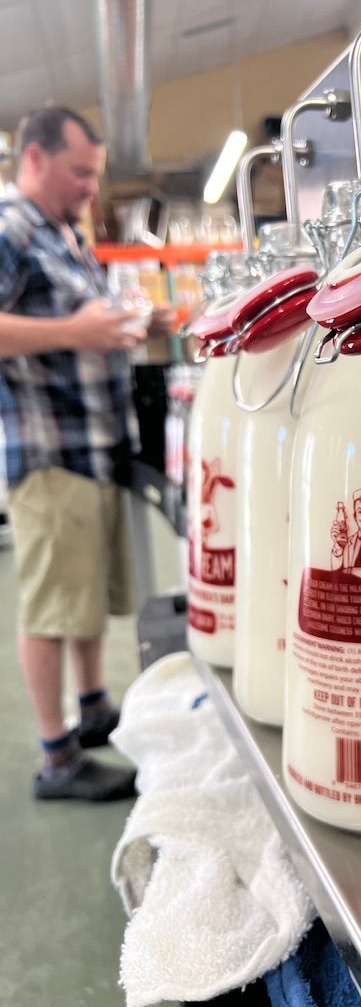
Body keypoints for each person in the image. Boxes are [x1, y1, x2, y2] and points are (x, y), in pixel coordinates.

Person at [0, 106, 174, 801]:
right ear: (35, 158)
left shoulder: (65, 234)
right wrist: (74, 329)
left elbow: (86, 321)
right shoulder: (10, 227)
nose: (88, 190)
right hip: (50, 455)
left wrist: (139, 321)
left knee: (84, 601)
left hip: (94, 448)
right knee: (51, 608)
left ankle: (94, 707)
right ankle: (56, 758)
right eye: (79, 173)